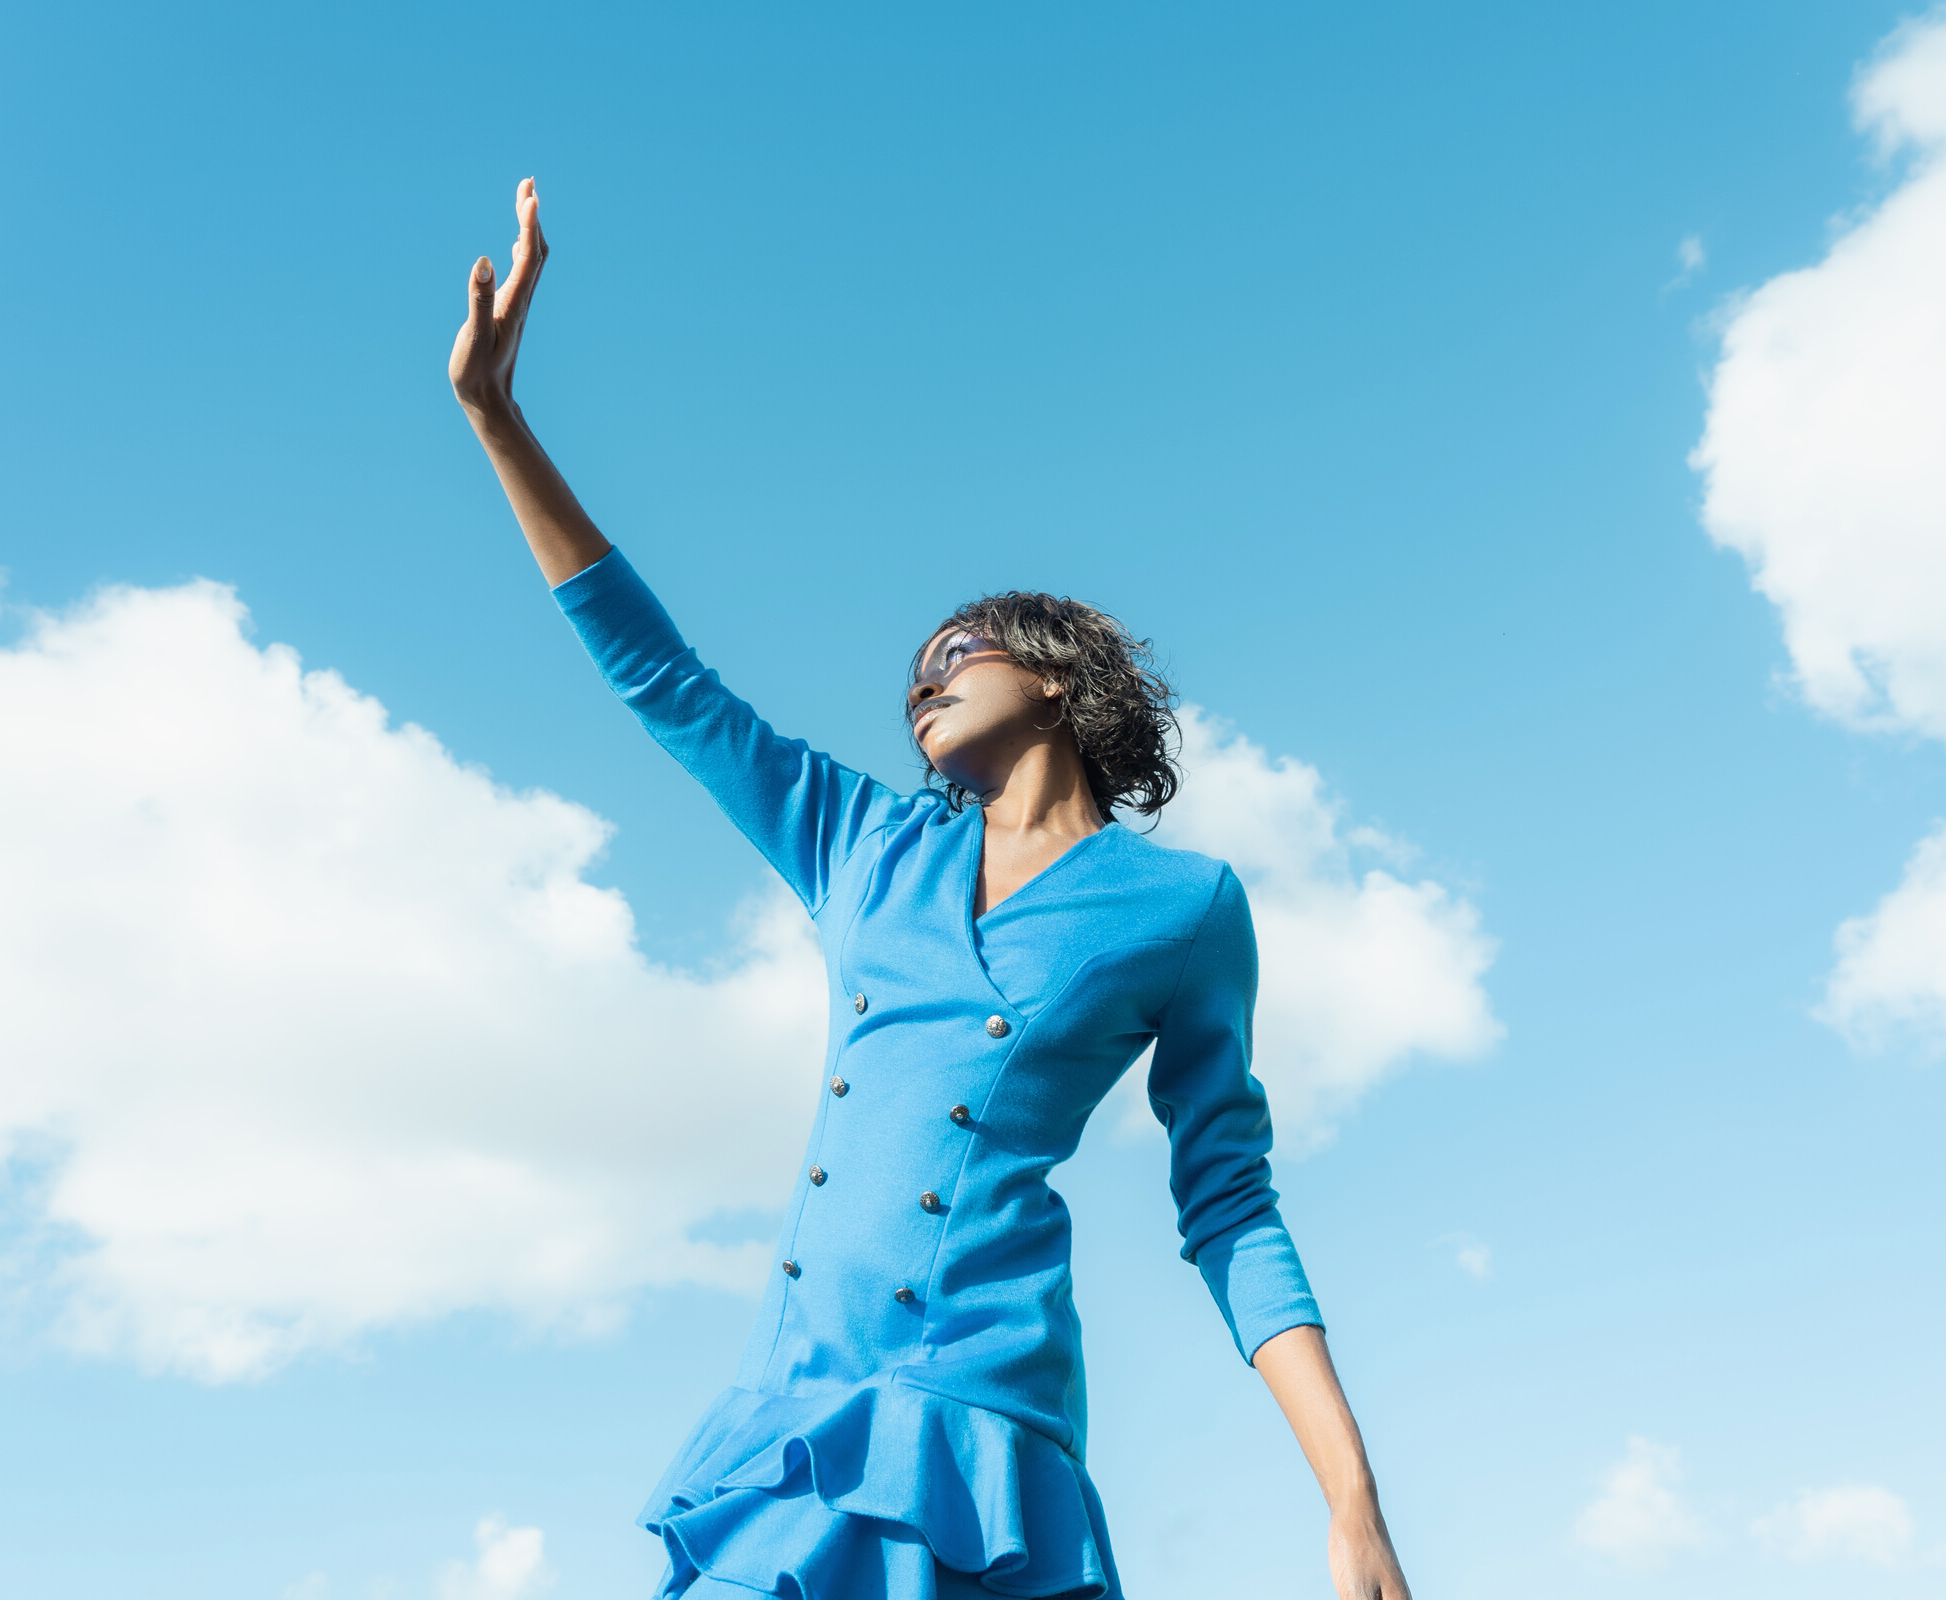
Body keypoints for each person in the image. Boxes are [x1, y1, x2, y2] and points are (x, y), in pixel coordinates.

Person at [450, 178, 1413, 1600]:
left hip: (982, 1435)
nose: (921, 678)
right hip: (793, 1421)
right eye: (911, 669)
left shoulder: (1185, 907)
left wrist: (1353, 1502)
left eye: (957, 649)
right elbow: (662, 678)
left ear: (1059, 678)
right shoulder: (859, 843)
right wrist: (497, 417)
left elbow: (1231, 1205)